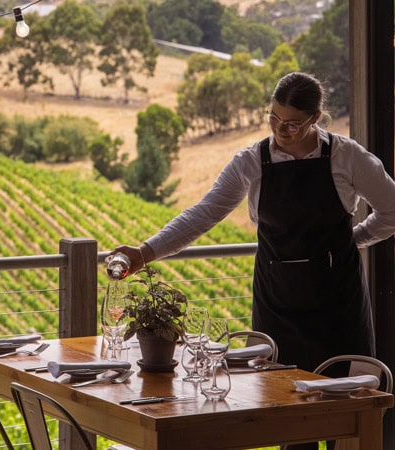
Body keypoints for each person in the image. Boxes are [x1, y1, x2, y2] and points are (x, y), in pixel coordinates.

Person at [110, 72, 395, 449]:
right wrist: (144, 253)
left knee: (349, 416)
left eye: (292, 123)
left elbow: (391, 211)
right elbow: (203, 214)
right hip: (278, 305)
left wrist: (355, 239)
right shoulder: (251, 162)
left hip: (338, 305)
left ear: (316, 118)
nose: (281, 129)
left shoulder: (348, 157)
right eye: (273, 118)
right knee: (288, 422)